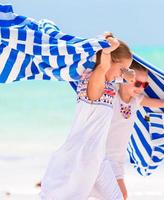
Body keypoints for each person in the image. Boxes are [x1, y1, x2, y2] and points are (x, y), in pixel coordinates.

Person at [90, 60, 164, 200]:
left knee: (119, 195)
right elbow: (103, 74)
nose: (141, 88)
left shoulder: (136, 101)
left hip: (117, 160)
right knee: (108, 194)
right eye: (137, 83)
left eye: (145, 84)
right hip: (102, 158)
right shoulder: (111, 96)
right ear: (125, 78)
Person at [40, 32, 133, 200]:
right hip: (82, 158)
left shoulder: (109, 83)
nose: (122, 73)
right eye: (122, 68)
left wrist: (126, 74)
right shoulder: (94, 80)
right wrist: (107, 49)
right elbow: (104, 67)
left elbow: (114, 74)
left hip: (98, 158)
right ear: (109, 60)